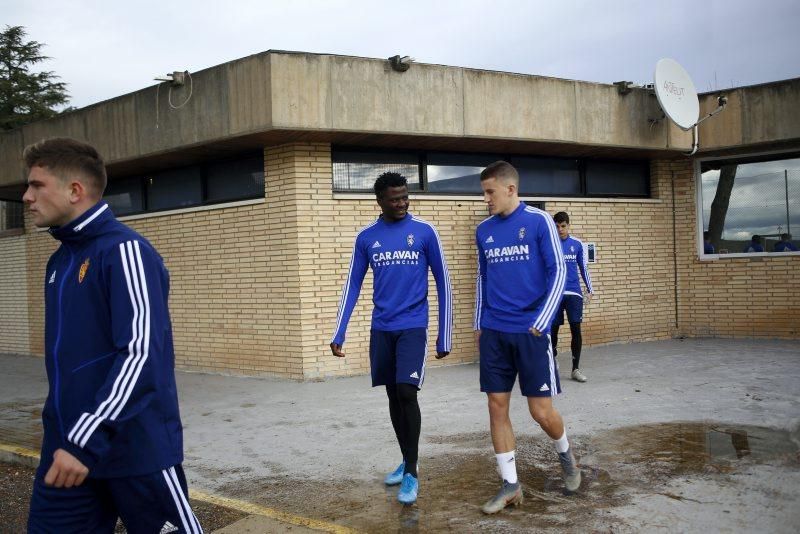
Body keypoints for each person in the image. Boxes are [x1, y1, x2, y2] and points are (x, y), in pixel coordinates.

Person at [23, 138, 201, 534]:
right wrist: (68, 439)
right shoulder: (60, 261)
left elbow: (141, 355)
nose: (27, 196)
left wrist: (88, 437)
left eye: (37, 185)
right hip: (66, 450)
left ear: (75, 190)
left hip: (134, 450)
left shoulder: (125, 251)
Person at [330, 172, 452, 505]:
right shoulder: (367, 237)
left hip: (413, 326)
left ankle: (412, 472)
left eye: (404, 197)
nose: (401, 203)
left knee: (406, 391)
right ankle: (405, 458)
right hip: (381, 328)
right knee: (392, 397)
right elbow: (352, 285)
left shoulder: (425, 232)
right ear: (380, 201)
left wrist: (445, 333)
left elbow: (444, 282)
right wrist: (339, 331)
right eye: (394, 199)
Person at [474, 161, 580, 514]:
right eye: (484, 192)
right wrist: (480, 323)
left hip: (531, 331)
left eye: (490, 192)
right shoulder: (484, 230)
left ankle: (565, 453)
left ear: (511, 189)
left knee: (541, 412)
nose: (485, 199)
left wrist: (545, 318)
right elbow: (484, 279)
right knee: (496, 405)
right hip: (495, 331)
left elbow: (559, 270)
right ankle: (510, 485)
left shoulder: (538, 222)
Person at [551, 212, 594, 383]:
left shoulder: (577, 244)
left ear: (568, 225)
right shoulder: (549, 243)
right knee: (553, 329)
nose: (560, 229)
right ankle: (553, 361)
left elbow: (583, 268)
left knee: (576, 329)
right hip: (555, 293)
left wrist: (590, 290)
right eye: (557, 226)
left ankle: (575, 369)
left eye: (563, 226)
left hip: (574, 293)